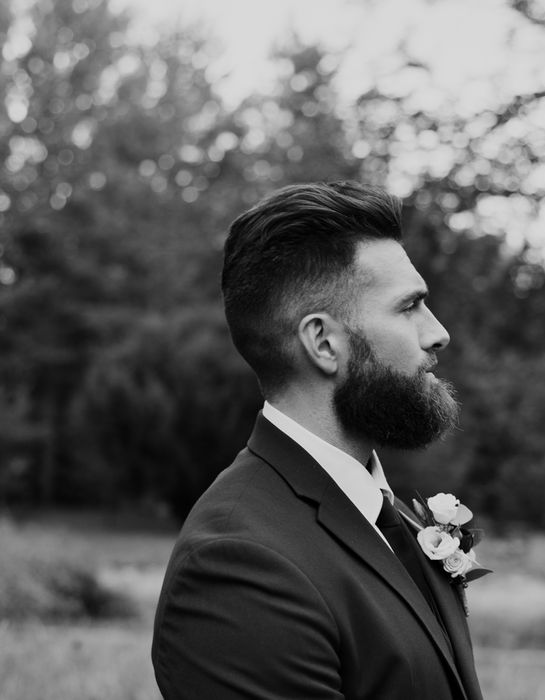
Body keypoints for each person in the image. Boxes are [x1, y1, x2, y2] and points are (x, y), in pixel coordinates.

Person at [151, 181, 484, 700]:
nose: (437, 332)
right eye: (409, 307)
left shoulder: (391, 515)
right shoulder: (236, 567)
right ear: (324, 342)